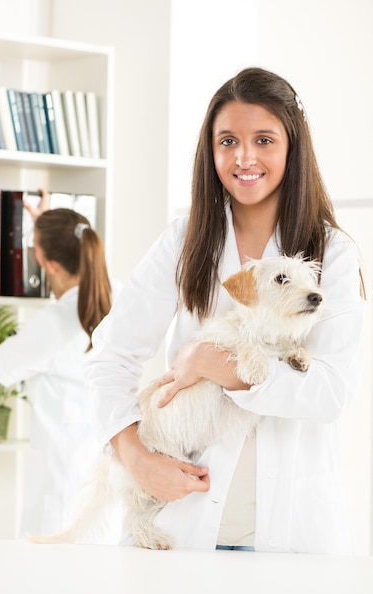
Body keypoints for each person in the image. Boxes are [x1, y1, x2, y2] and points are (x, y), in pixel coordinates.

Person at [85, 67, 366, 554]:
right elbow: (109, 357)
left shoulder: (331, 252)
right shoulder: (185, 240)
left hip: (292, 533)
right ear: (210, 150)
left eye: (263, 139)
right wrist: (135, 457)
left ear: (292, 146)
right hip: (182, 525)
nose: (244, 157)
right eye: (228, 141)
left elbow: (331, 391)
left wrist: (216, 365)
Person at [0, 190, 118, 537]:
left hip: (61, 494)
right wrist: (46, 229)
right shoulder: (116, 297)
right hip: (109, 490)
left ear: (48, 265)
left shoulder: (56, 322)